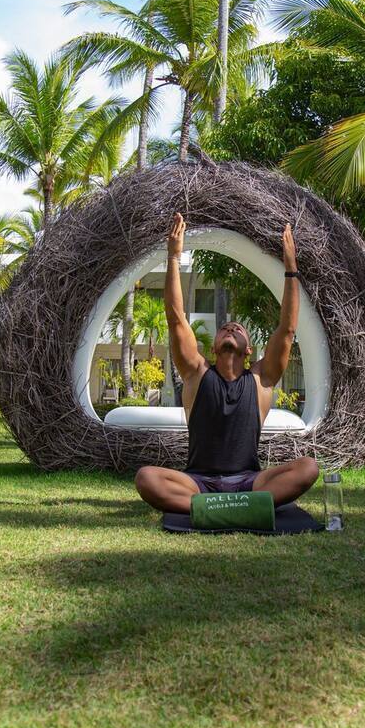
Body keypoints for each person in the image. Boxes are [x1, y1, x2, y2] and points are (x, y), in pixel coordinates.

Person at [134, 213, 320, 512]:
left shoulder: (262, 379)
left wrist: (290, 269)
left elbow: (287, 329)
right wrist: (173, 257)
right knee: (147, 478)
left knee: (309, 468)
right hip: (198, 481)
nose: (231, 328)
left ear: (249, 350)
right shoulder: (196, 372)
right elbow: (175, 318)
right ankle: (241, 508)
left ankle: (211, 508)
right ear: (214, 346)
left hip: (249, 480)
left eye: (239, 328)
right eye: (225, 328)